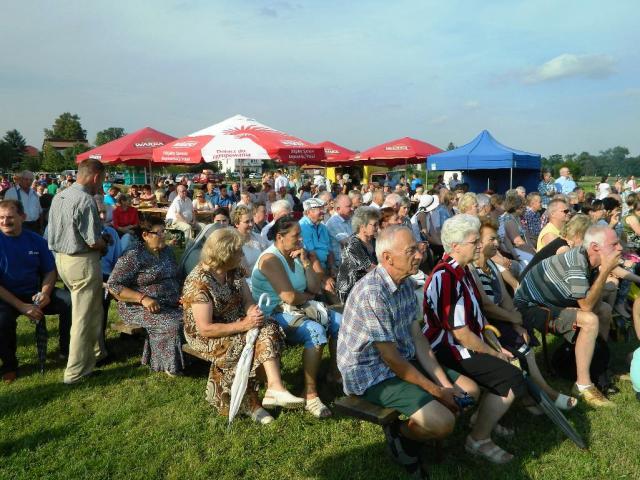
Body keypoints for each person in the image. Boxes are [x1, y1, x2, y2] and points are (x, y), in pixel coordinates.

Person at [338, 225, 478, 472]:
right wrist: (438, 391)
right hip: (370, 374)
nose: (419, 255)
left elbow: (418, 338)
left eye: (418, 248)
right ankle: (401, 434)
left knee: (470, 391)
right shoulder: (373, 292)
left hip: (400, 360)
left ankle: (413, 430)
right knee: (443, 423)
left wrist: (444, 385)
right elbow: (390, 359)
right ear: (388, 258)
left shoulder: (404, 283)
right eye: (411, 250)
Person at [423, 214, 529, 464]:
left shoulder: (461, 270)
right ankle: (478, 439)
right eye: (474, 242)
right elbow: (460, 333)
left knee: (512, 365)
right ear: (456, 246)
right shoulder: (446, 276)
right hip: (447, 348)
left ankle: (481, 419)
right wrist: (494, 353)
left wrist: (495, 345)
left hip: (463, 343)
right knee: (510, 379)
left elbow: (476, 317)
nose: (480, 245)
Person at [182, 228, 304, 424]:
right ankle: (252, 403)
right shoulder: (198, 284)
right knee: (250, 342)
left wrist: (252, 312)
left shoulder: (234, 270)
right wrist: (244, 325)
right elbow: (205, 328)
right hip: (208, 334)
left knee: (268, 327)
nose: (243, 255)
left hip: (236, 320)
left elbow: (247, 299)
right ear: (224, 255)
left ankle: (274, 388)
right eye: (239, 251)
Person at [470, 216, 577, 410]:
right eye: (491, 239)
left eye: (497, 239)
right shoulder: (472, 269)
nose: (497, 243)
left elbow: (504, 298)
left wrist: (516, 323)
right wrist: (512, 318)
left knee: (523, 335)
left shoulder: (491, 265)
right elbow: (486, 306)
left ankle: (530, 396)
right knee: (524, 349)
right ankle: (547, 393)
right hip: (485, 325)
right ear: (478, 242)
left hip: (500, 319)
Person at [514, 225, 621, 407]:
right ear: (595, 247)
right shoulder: (576, 263)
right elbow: (586, 306)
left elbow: (591, 301)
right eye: (614, 244)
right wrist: (605, 271)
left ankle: (599, 366)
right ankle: (583, 385)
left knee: (604, 310)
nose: (620, 248)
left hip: (551, 303)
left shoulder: (588, 259)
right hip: (530, 308)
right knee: (589, 320)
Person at [251, 215, 342, 418]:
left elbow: (315, 288)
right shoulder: (270, 259)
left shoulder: (298, 254)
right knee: (316, 332)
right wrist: (306, 296)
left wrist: (306, 262)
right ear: (280, 237)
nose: (301, 239)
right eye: (296, 235)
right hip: (273, 314)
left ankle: (335, 373)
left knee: (341, 322)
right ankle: (310, 393)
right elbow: (289, 297)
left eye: (301, 234)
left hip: (298, 308)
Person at [48, 159, 108, 384]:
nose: (101, 184)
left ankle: (95, 355)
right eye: (102, 180)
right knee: (83, 317)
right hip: (81, 262)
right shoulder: (85, 199)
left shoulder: (60, 196)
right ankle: (75, 372)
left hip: (62, 260)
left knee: (91, 311)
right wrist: (105, 242)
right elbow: (93, 241)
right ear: (96, 177)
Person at [0, 199, 72, 383]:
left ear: (22, 217)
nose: (5, 221)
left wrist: (45, 293)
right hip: (6, 297)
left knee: (70, 302)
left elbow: (50, 271)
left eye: (10, 217)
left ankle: (66, 350)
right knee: (2, 320)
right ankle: (9, 365)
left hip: (34, 292)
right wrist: (21, 306)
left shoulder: (36, 240)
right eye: (1, 217)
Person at [107, 218, 184, 376]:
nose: (163, 235)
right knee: (172, 324)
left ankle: (189, 357)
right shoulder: (133, 255)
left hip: (170, 303)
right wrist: (143, 298)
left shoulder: (167, 252)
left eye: (164, 231)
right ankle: (166, 363)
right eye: (159, 233)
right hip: (137, 307)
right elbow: (114, 285)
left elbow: (176, 276)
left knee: (191, 318)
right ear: (145, 235)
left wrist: (183, 295)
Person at [336, 207, 380, 303]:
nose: (377, 227)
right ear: (362, 226)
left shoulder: (374, 241)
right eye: (374, 225)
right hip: (351, 290)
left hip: (370, 284)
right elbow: (370, 268)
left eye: (378, 224)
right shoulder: (353, 244)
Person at [231, 205, 269, 273]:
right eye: (247, 222)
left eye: (252, 220)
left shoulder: (258, 238)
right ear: (237, 224)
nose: (251, 224)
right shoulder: (232, 243)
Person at [325, 194, 353, 267]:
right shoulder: (333, 222)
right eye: (348, 206)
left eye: (351, 206)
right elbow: (350, 243)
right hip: (342, 266)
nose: (352, 209)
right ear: (338, 209)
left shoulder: (348, 218)